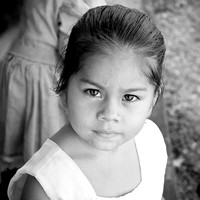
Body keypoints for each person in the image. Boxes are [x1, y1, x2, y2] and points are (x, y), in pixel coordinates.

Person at [8, 5, 167, 200]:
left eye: (129, 97)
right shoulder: (47, 182)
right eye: (93, 92)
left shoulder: (151, 142)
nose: (109, 113)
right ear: (64, 89)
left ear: (153, 99)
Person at [0, 0, 106, 164]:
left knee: (21, 133)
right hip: (41, 77)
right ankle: (40, 179)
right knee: (44, 141)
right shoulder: (74, 2)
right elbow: (69, 48)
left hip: (16, 66)